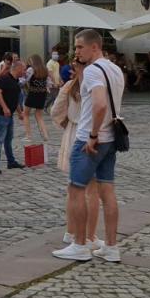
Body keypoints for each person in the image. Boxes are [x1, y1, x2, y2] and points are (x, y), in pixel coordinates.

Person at [53, 30, 125, 264]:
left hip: (90, 139)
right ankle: (111, 247)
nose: (76, 52)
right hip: (111, 138)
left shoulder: (94, 70)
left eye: (79, 47)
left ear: (94, 47)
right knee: (107, 191)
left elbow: (100, 104)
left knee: (76, 190)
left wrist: (93, 134)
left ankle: (80, 245)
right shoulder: (114, 69)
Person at [52, 59, 101, 250]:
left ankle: (70, 231)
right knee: (91, 190)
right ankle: (89, 235)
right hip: (88, 134)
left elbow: (55, 111)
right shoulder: (94, 86)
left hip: (72, 132)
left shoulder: (69, 86)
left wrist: (67, 124)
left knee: (73, 188)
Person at [0, 61, 25, 175]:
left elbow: (14, 100)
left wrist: (20, 112)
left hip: (9, 115)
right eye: (23, 69)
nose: (24, 72)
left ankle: (11, 162)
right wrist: (5, 108)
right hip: (0, 114)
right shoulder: (4, 79)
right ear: (18, 68)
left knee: (8, 139)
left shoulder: (15, 81)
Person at [22, 55, 51, 145]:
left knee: (26, 114)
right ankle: (45, 135)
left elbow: (25, 80)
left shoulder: (31, 70)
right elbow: (49, 83)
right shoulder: (45, 69)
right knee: (39, 116)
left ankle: (28, 135)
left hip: (33, 92)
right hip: (42, 93)